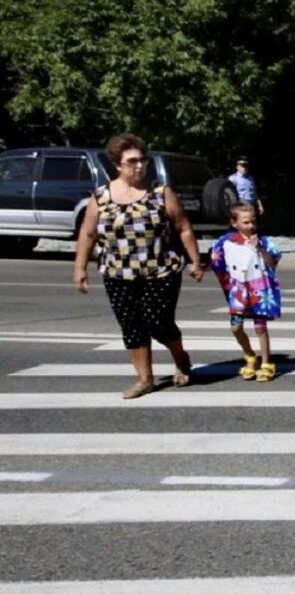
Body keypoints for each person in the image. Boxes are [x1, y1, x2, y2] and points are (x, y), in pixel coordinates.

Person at [73, 133, 205, 399]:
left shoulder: (160, 193)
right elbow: (87, 234)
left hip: (161, 270)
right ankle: (145, 379)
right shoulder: (100, 197)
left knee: (158, 322)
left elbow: (184, 228)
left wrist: (195, 261)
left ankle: (180, 357)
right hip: (117, 273)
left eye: (143, 160)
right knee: (131, 326)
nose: (139, 166)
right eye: (132, 161)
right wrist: (80, 269)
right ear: (117, 165)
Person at [210, 202, 283, 382]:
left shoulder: (263, 241)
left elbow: (273, 262)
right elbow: (216, 261)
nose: (250, 226)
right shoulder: (226, 241)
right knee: (236, 327)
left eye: (252, 222)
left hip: (259, 289)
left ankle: (266, 363)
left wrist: (259, 248)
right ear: (234, 223)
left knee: (260, 327)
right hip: (239, 290)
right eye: (245, 222)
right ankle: (250, 355)